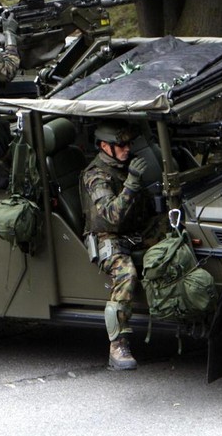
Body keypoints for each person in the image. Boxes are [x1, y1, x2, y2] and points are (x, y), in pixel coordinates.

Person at [80, 120, 164, 370]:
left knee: (174, 237)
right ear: (105, 146)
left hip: (134, 228)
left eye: (129, 143)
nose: (127, 149)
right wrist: (131, 184)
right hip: (107, 236)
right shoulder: (96, 175)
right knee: (126, 274)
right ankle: (117, 344)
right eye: (121, 145)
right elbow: (111, 215)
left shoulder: (124, 164)